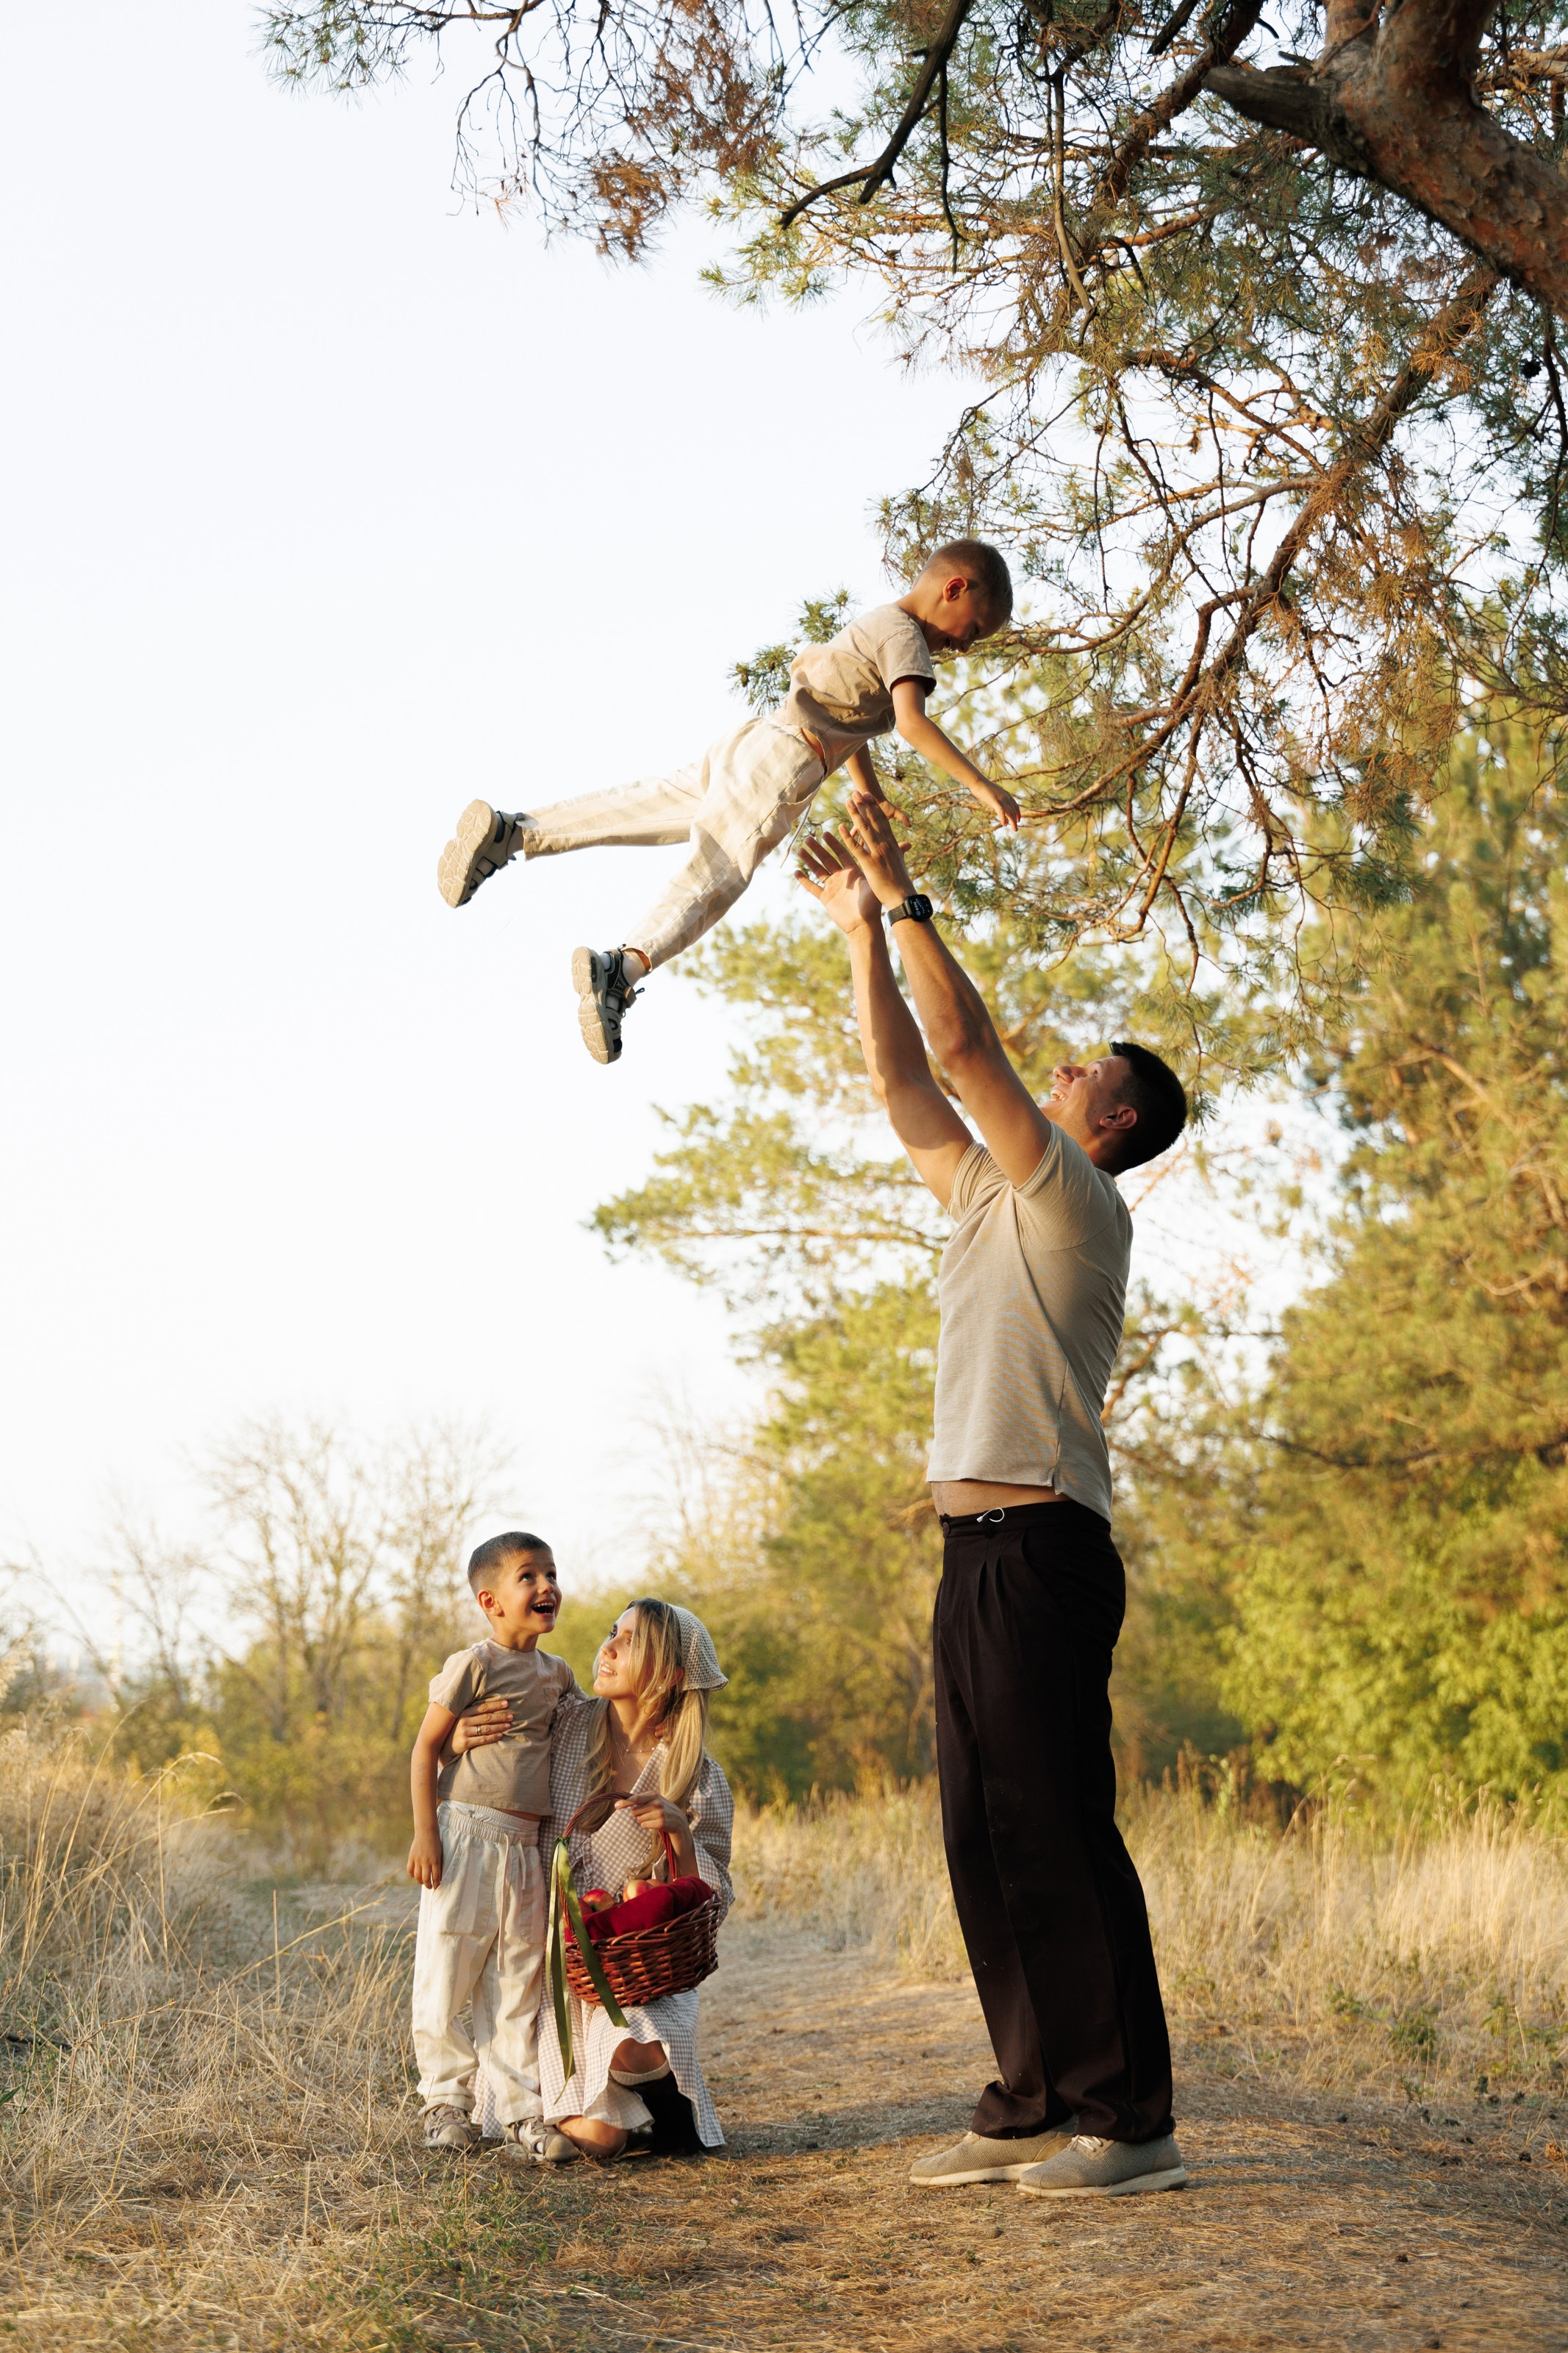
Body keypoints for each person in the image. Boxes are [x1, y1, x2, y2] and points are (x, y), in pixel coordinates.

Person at [797, 795, 1191, 2201]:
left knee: (1054, 1825)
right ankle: (1028, 2100)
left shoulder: (1080, 1201)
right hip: (974, 1554)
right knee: (982, 1829)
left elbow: (961, 1051)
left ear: (1114, 1117)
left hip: (1042, 1546)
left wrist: (904, 888)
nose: (1061, 1067)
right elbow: (905, 1081)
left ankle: (1126, 2123)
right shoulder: (983, 1195)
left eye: (1082, 1067)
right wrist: (858, 935)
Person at [434, 541, 1020, 1065]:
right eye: (971, 630)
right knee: (719, 870)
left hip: (757, 739)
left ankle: (514, 832)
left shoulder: (882, 625)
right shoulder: (909, 640)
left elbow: (854, 720)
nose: (962, 646)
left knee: (643, 805)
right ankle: (623, 968)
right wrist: (981, 785)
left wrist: (870, 791)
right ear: (953, 589)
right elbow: (912, 724)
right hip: (786, 761)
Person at [451, 1597, 733, 2160]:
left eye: (630, 1641)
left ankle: (659, 2094)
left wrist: (678, 1833)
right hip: (548, 1955)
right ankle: (648, 2113)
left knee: (638, 2042)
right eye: (613, 1632)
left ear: (672, 1674)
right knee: (597, 2140)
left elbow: (712, 1901)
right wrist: (457, 1742)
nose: (608, 1647)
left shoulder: (695, 1775)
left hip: (630, 1965)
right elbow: (491, 1773)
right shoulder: (563, 1722)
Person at [406, 1530, 580, 2164]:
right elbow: (426, 1748)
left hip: (524, 1846)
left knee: (517, 1978)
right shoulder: (471, 1664)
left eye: (551, 1574)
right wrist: (427, 1833)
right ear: (491, 1600)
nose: (546, 1587)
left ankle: (517, 2113)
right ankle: (445, 2102)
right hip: (466, 1835)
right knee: (448, 1970)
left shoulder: (557, 1675)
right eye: (528, 1577)